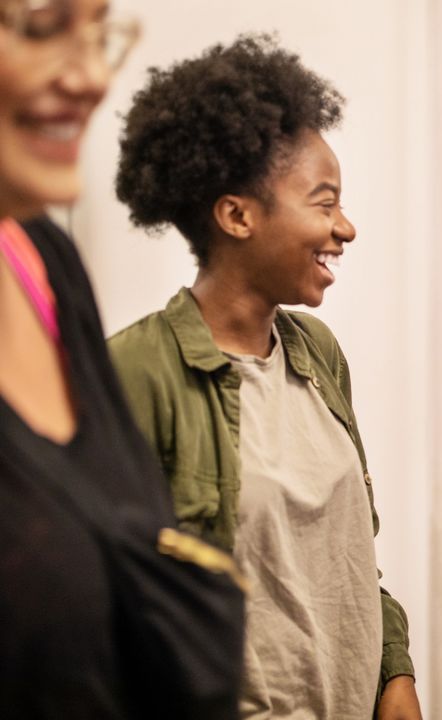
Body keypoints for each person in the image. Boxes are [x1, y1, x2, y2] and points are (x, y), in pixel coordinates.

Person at [107, 34, 421, 720]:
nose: (347, 228)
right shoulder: (135, 373)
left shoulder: (317, 353)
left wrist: (395, 677)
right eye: (324, 202)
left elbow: (349, 560)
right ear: (238, 215)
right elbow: (109, 614)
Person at [0, 1, 244, 717]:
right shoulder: (151, 357)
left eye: (98, 31)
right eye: (43, 26)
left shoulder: (45, 261)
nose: (92, 76)